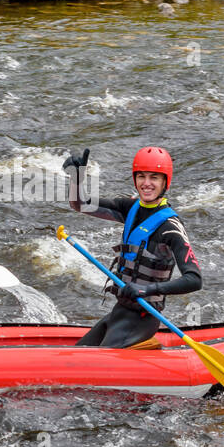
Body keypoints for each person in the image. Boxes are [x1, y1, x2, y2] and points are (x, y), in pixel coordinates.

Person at [62, 146, 202, 348]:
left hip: (143, 318)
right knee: (75, 357)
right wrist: (76, 179)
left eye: (154, 177)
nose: (146, 183)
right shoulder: (130, 208)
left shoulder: (171, 228)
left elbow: (194, 279)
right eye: (141, 177)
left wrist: (148, 289)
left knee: (91, 368)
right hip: (120, 312)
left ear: (165, 182)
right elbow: (81, 204)